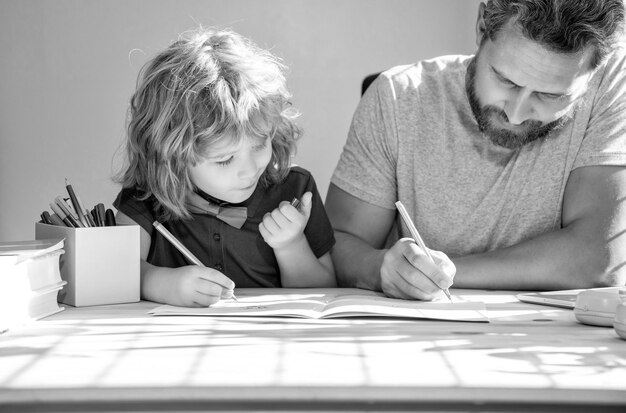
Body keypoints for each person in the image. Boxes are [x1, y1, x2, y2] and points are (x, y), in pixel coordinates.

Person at [326, 0, 626, 300]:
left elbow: (599, 259)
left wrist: (444, 274)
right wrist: (383, 269)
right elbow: (338, 244)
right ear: (482, 27)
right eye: (505, 80)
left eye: (551, 95)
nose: (517, 115)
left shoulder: (610, 86)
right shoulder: (396, 96)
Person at [113, 28, 336, 307]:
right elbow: (115, 272)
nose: (249, 170)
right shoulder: (146, 195)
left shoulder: (294, 188)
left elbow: (326, 293)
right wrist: (162, 284)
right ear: (171, 155)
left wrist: (291, 246)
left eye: (259, 145)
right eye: (224, 160)